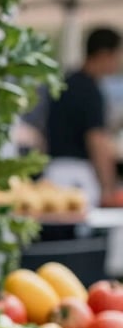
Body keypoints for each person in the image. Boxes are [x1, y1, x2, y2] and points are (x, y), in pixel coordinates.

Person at [43, 27, 123, 208]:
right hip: (77, 179)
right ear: (104, 55)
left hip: (52, 175)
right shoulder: (90, 91)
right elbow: (97, 140)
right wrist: (108, 188)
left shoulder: (67, 82)